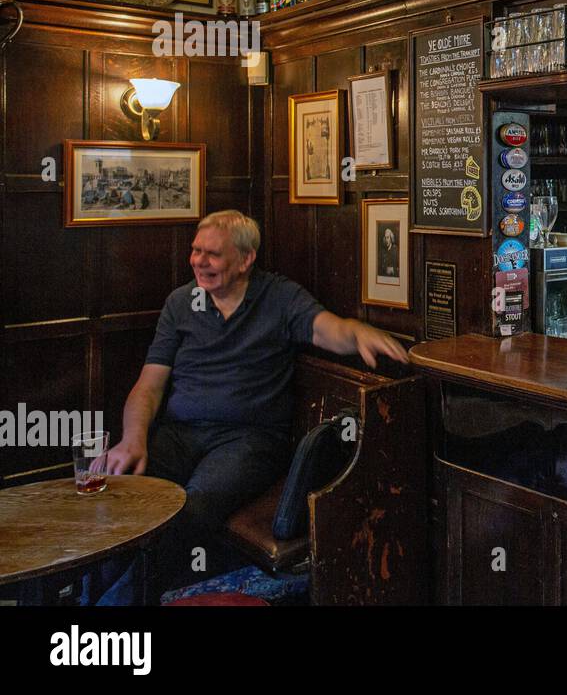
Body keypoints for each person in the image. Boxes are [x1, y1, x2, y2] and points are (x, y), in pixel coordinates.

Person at [98, 209, 408, 603]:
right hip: (180, 433)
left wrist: (358, 332)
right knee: (119, 493)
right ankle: (94, 593)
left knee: (191, 509)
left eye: (211, 254)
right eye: (195, 251)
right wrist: (134, 439)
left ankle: (117, 604)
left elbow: (326, 328)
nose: (198, 261)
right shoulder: (180, 303)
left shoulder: (278, 297)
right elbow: (149, 385)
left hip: (249, 441)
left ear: (245, 259)